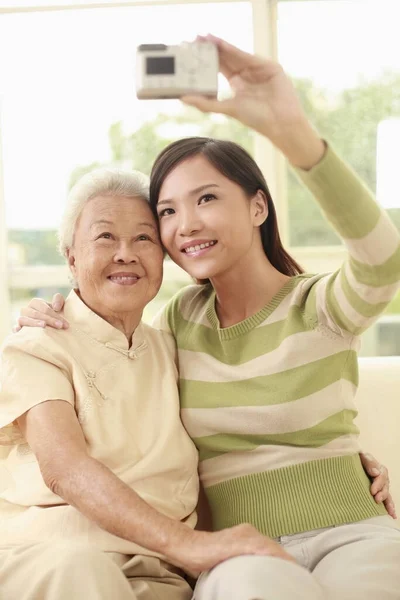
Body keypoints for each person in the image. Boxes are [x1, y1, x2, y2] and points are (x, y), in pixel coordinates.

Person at [13, 34, 400, 599]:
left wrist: (292, 132)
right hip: (236, 549)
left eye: (207, 199)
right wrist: (46, 310)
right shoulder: (176, 324)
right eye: (168, 211)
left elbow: (383, 260)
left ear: (258, 206)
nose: (186, 223)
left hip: (352, 531)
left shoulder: (321, 307)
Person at [0, 168, 298, 600]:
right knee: (83, 571)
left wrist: (341, 458)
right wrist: (192, 546)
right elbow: (65, 469)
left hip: (159, 575)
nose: (126, 254)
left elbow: (250, 412)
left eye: (144, 239)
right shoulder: (35, 345)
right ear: (71, 258)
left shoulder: (175, 348)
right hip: (52, 557)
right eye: (105, 238)